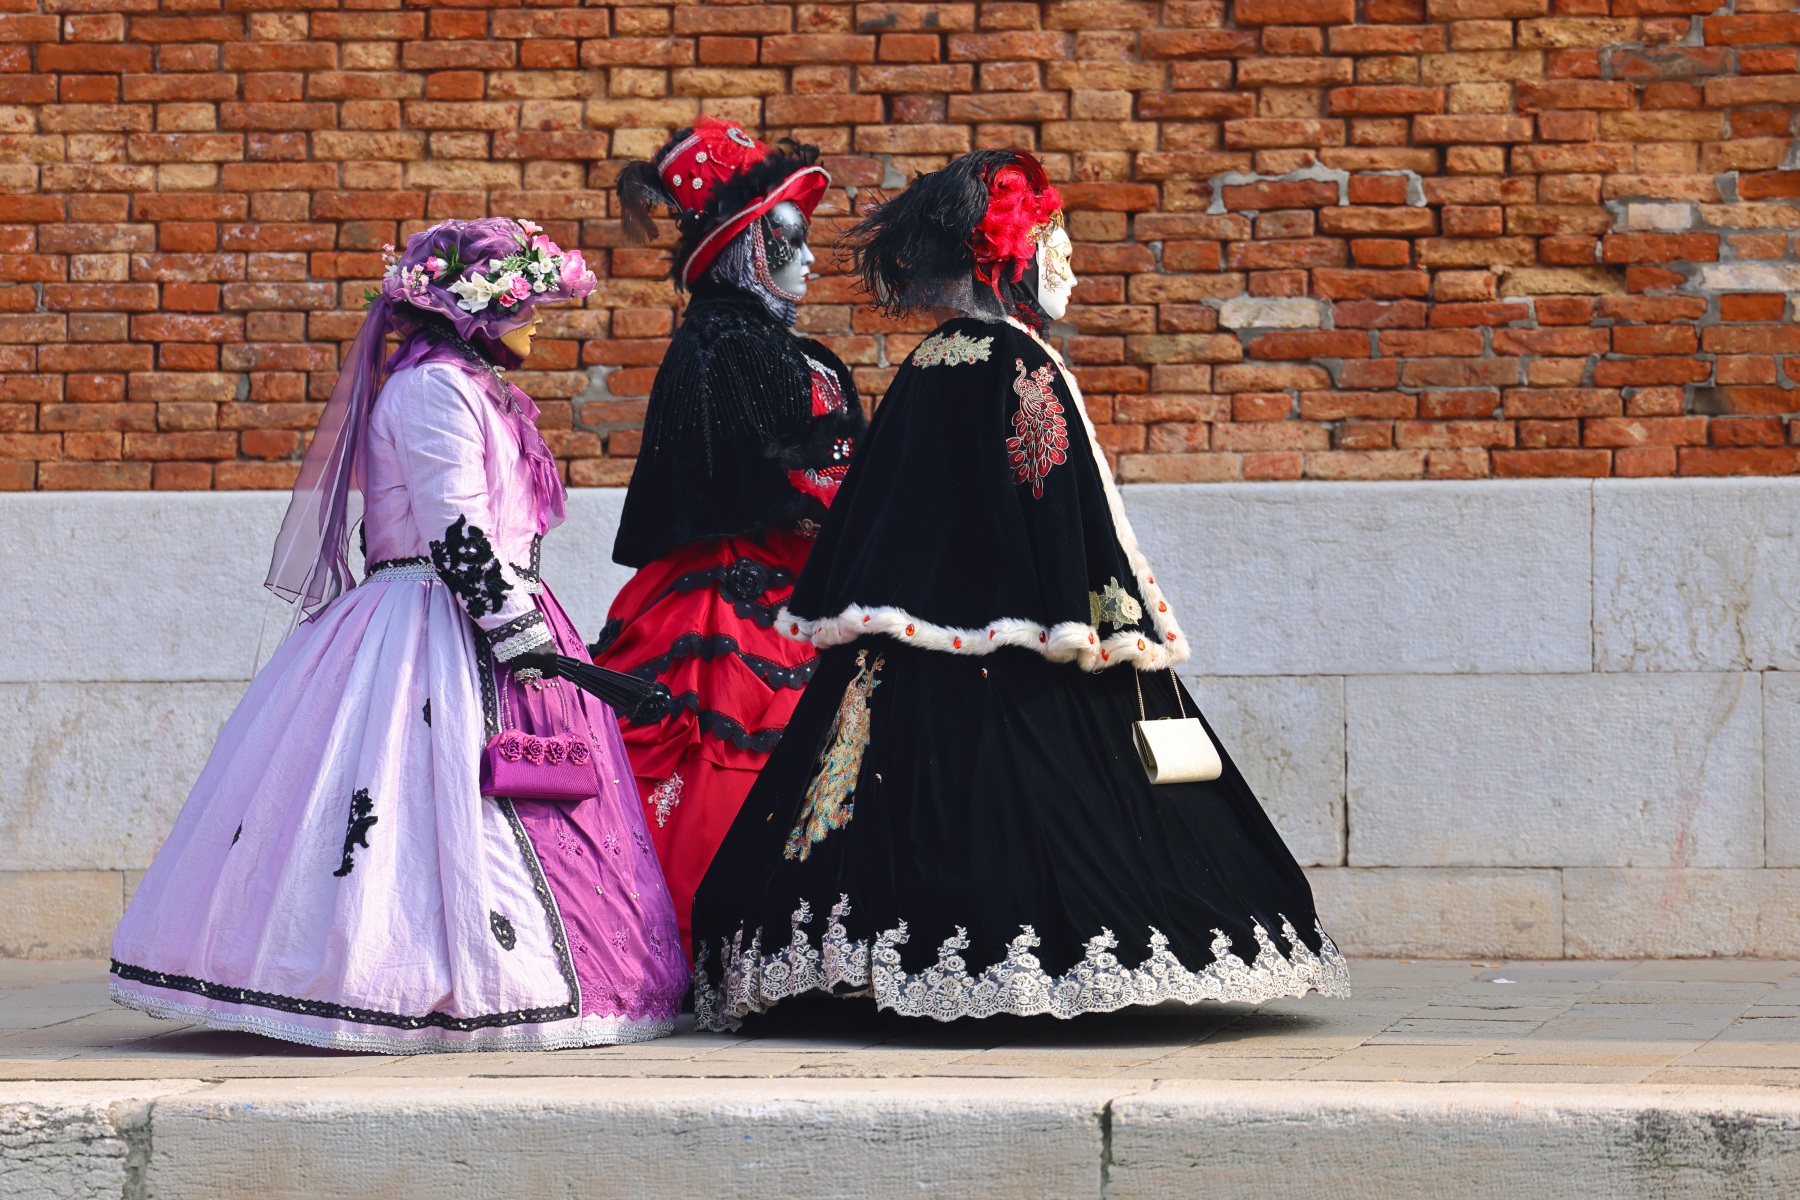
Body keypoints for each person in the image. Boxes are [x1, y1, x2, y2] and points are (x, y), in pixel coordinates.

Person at [690, 151, 1350, 1028]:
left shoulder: (931, 361)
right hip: (1029, 639)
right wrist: (1114, 623)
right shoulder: (1018, 363)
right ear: (1006, 255)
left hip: (911, 652)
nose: (1068, 264)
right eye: (1052, 243)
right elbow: (1058, 507)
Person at [110, 219, 688, 1052]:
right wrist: (517, 630)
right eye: (525, 306)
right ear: (471, 312)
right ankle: (404, 975)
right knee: (417, 806)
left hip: (485, 614)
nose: (538, 322)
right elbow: (456, 532)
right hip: (437, 625)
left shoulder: (474, 388)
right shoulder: (432, 391)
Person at [591, 117, 865, 956]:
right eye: (795, 239)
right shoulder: (718, 343)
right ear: (751, 246)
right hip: (734, 599)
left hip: (805, 582)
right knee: (726, 750)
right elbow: (754, 472)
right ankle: (721, 940)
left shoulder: (759, 341)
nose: (812, 258)